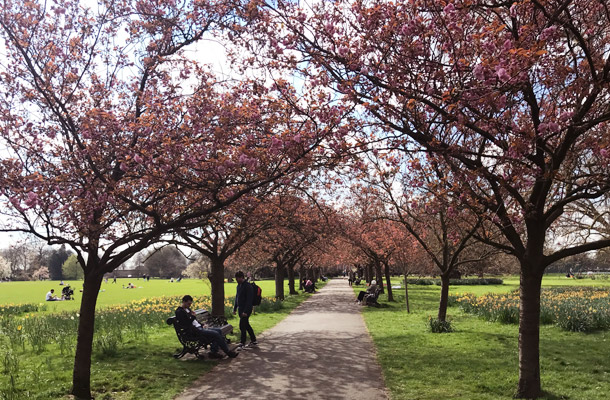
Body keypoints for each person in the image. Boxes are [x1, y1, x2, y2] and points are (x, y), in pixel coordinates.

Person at [233, 271, 257, 349]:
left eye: (237, 278)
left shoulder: (248, 286)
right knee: (246, 325)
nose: (236, 280)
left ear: (241, 277)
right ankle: (253, 340)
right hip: (240, 309)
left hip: (246, 309)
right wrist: (235, 308)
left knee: (242, 325)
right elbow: (237, 298)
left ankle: (242, 343)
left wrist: (246, 311)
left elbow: (249, 300)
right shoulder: (238, 286)